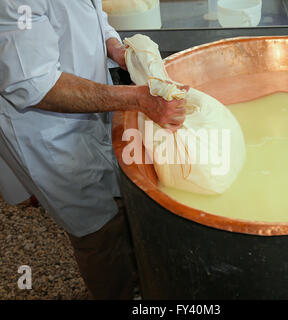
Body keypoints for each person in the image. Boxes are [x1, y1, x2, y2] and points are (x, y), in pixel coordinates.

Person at [0, 0, 187, 299]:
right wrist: (138, 99)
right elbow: (34, 84)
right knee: (96, 231)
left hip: (92, 105)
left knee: (119, 198)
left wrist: (113, 45)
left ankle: (138, 275)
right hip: (46, 133)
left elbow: (91, 15)